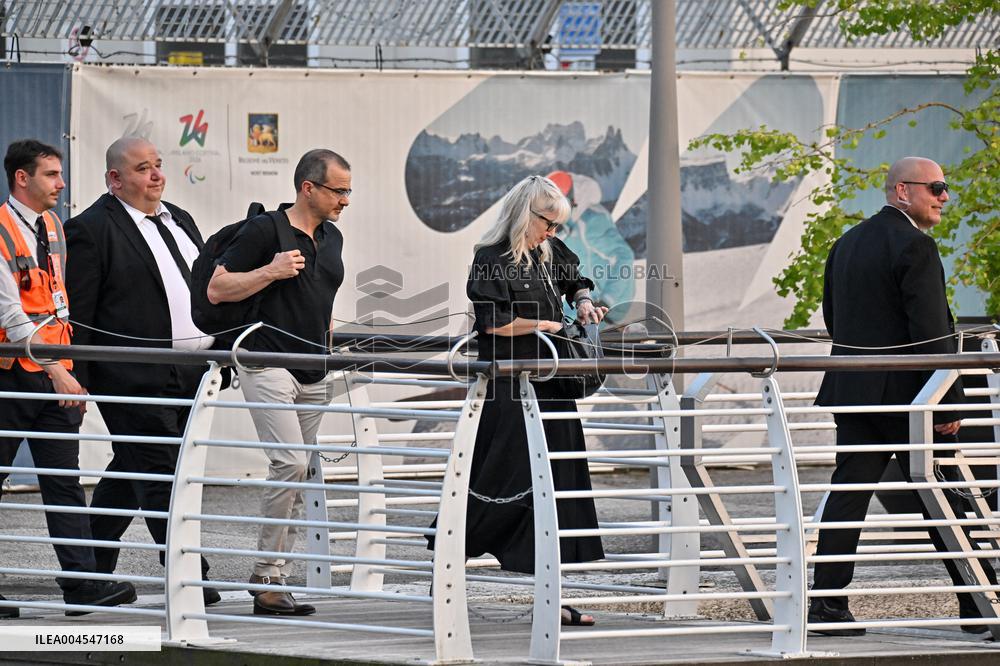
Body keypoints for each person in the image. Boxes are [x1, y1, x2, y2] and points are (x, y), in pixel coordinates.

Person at [811, 156, 997, 635]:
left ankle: (827, 606)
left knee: (849, 494)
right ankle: (980, 601)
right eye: (936, 188)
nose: (944, 197)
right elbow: (933, 331)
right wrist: (947, 401)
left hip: (855, 389)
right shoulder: (916, 246)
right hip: (910, 395)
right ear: (902, 191)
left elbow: (835, 318)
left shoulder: (845, 243)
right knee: (944, 493)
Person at [428, 175, 607, 627]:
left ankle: (555, 597)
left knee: (558, 486)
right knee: (496, 479)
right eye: (548, 223)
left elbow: (575, 279)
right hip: (509, 388)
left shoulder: (549, 250)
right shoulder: (490, 259)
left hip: (551, 385)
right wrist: (541, 326)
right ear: (528, 214)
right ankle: (448, 568)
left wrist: (583, 303)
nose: (553, 232)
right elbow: (491, 323)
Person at [64, 137, 219, 605]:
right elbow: (81, 313)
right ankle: (191, 573)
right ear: (115, 179)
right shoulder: (90, 229)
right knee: (160, 471)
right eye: (142, 169)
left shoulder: (180, 219)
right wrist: (80, 375)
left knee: (132, 464)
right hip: (131, 376)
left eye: (158, 165)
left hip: (190, 372)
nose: (156, 176)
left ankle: (89, 569)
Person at [206, 149, 348, 616]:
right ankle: (266, 576)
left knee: (302, 468)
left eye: (349, 191)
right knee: (288, 462)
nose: (346, 200)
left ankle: (277, 579)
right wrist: (271, 270)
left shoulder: (333, 238)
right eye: (338, 190)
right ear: (308, 188)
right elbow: (217, 289)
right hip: (265, 360)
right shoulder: (265, 229)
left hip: (314, 367)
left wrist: (329, 350)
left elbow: (322, 302)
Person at [0, 139, 135, 617]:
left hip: (55, 373)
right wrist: (61, 371)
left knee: (64, 483)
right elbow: (12, 316)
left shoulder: (53, 226)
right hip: (13, 376)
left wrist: (68, 368)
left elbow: (60, 302)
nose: (61, 184)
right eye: (52, 175)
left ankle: (81, 586)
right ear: (22, 178)